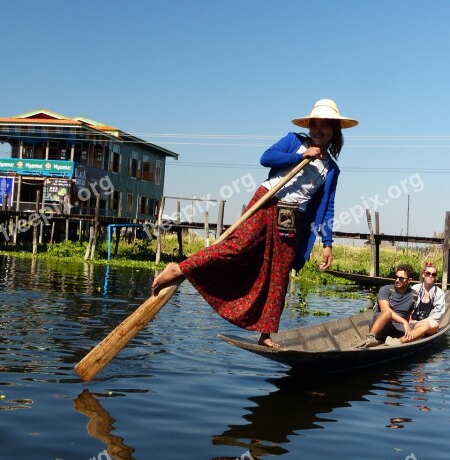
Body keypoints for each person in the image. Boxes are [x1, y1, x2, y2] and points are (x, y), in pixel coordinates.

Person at [152, 99, 358, 348]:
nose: (318, 129)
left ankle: (266, 332)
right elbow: (266, 158)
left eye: (325, 125)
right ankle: (180, 268)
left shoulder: (332, 169)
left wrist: (327, 243)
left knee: (279, 275)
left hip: (291, 218)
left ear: (334, 131)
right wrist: (301, 155)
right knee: (237, 246)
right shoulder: (294, 141)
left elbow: (327, 207)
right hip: (268, 201)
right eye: (315, 124)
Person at [365, 264, 416, 346]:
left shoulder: (414, 295)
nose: (397, 280)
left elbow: (407, 316)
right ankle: (370, 337)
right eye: (396, 277)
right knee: (388, 313)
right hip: (379, 326)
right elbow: (385, 310)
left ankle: (398, 341)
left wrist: (407, 324)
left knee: (425, 325)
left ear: (409, 280)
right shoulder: (386, 289)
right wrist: (404, 322)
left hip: (396, 328)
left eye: (401, 278)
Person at [407, 262, 445, 342]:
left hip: (426, 323)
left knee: (435, 325)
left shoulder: (439, 293)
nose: (430, 276)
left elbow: (437, 314)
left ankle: (415, 333)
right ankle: (416, 334)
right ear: (423, 275)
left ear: (435, 277)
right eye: (428, 273)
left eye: (433, 274)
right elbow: (407, 305)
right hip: (411, 321)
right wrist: (409, 319)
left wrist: (421, 322)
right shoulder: (415, 288)